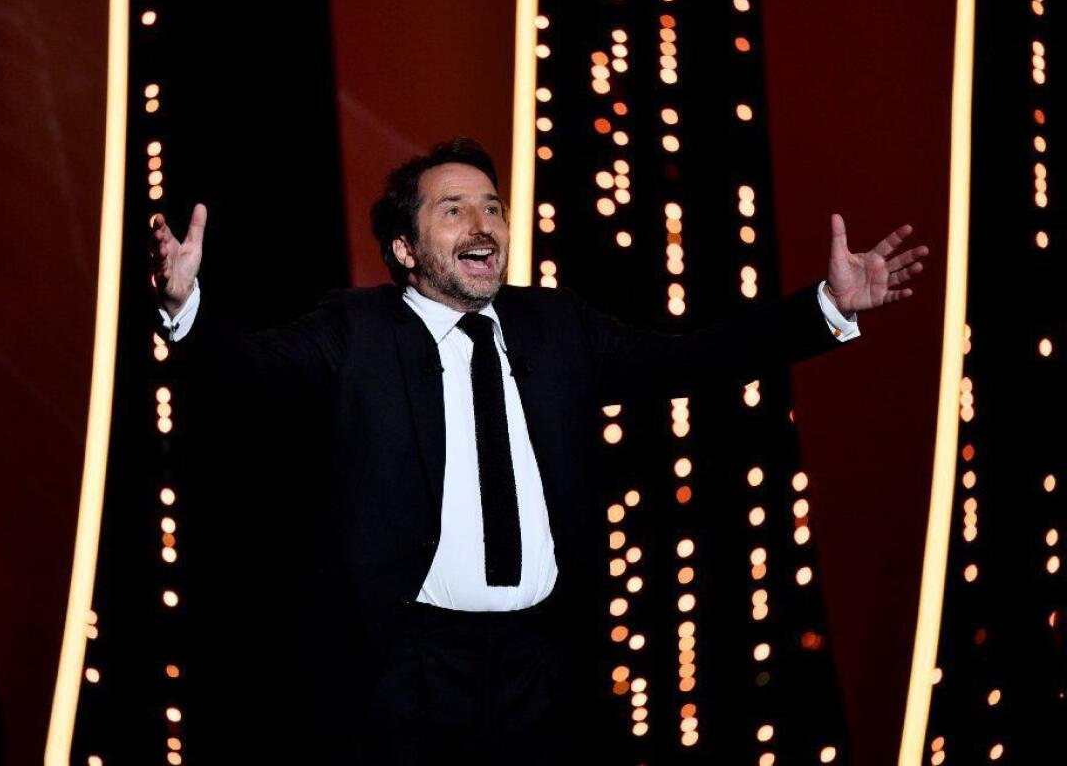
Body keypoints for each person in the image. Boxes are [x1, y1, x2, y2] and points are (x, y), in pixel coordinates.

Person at [148, 138, 927, 764]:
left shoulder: (556, 326)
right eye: (453, 210)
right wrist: (186, 306)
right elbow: (248, 371)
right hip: (408, 668)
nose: (482, 224)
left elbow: (689, 358)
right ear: (406, 247)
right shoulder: (356, 330)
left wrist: (824, 310)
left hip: (541, 664)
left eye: (492, 206)